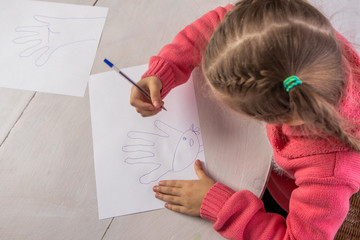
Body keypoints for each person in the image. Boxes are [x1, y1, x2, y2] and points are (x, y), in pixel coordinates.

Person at [130, 0, 360, 239]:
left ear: (275, 118)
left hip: (286, 201)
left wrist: (221, 206)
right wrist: (165, 69)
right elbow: (228, 27)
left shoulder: (329, 173)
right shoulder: (301, 34)